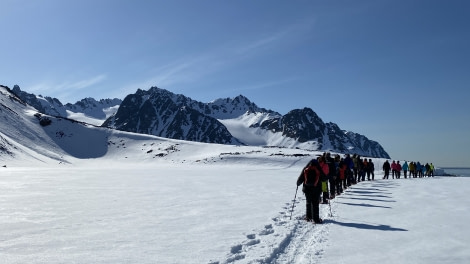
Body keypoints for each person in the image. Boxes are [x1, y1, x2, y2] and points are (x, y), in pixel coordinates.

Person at [297, 159, 323, 223]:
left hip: (307, 189)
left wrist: (298, 184)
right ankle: (316, 219)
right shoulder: (319, 169)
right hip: (316, 189)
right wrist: (324, 189)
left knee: (308, 203)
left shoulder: (305, 169)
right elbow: (324, 178)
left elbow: (300, 179)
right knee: (315, 204)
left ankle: (308, 217)